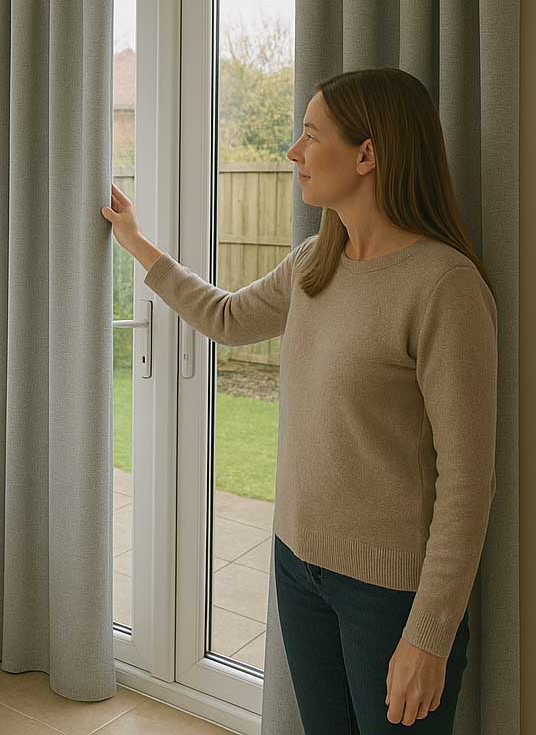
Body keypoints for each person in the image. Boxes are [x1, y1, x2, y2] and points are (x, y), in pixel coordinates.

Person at [101, 67, 498, 733]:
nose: (293, 152)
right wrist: (137, 244)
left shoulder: (443, 287)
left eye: (311, 135)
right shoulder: (317, 259)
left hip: (389, 597)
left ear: (368, 154)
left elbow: (468, 481)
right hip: (298, 567)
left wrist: (428, 634)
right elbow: (226, 317)